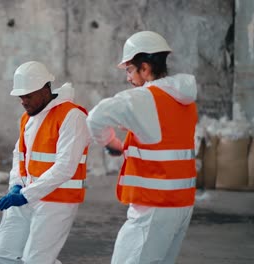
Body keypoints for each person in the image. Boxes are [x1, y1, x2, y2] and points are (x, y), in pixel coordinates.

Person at [86, 31, 198, 264]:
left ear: (144, 68)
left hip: (153, 206)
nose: (128, 77)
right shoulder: (184, 100)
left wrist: (111, 142)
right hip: (182, 205)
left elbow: (95, 118)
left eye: (129, 69)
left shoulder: (144, 98)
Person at [0, 61, 90, 264]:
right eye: (21, 96)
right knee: (3, 254)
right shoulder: (27, 118)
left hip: (57, 201)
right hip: (26, 195)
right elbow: (20, 154)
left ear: (46, 89)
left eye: (29, 96)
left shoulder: (72, 116)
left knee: (36, 261)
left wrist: (26, 194)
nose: (23, 101)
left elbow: (65, 167)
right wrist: (16, 185)